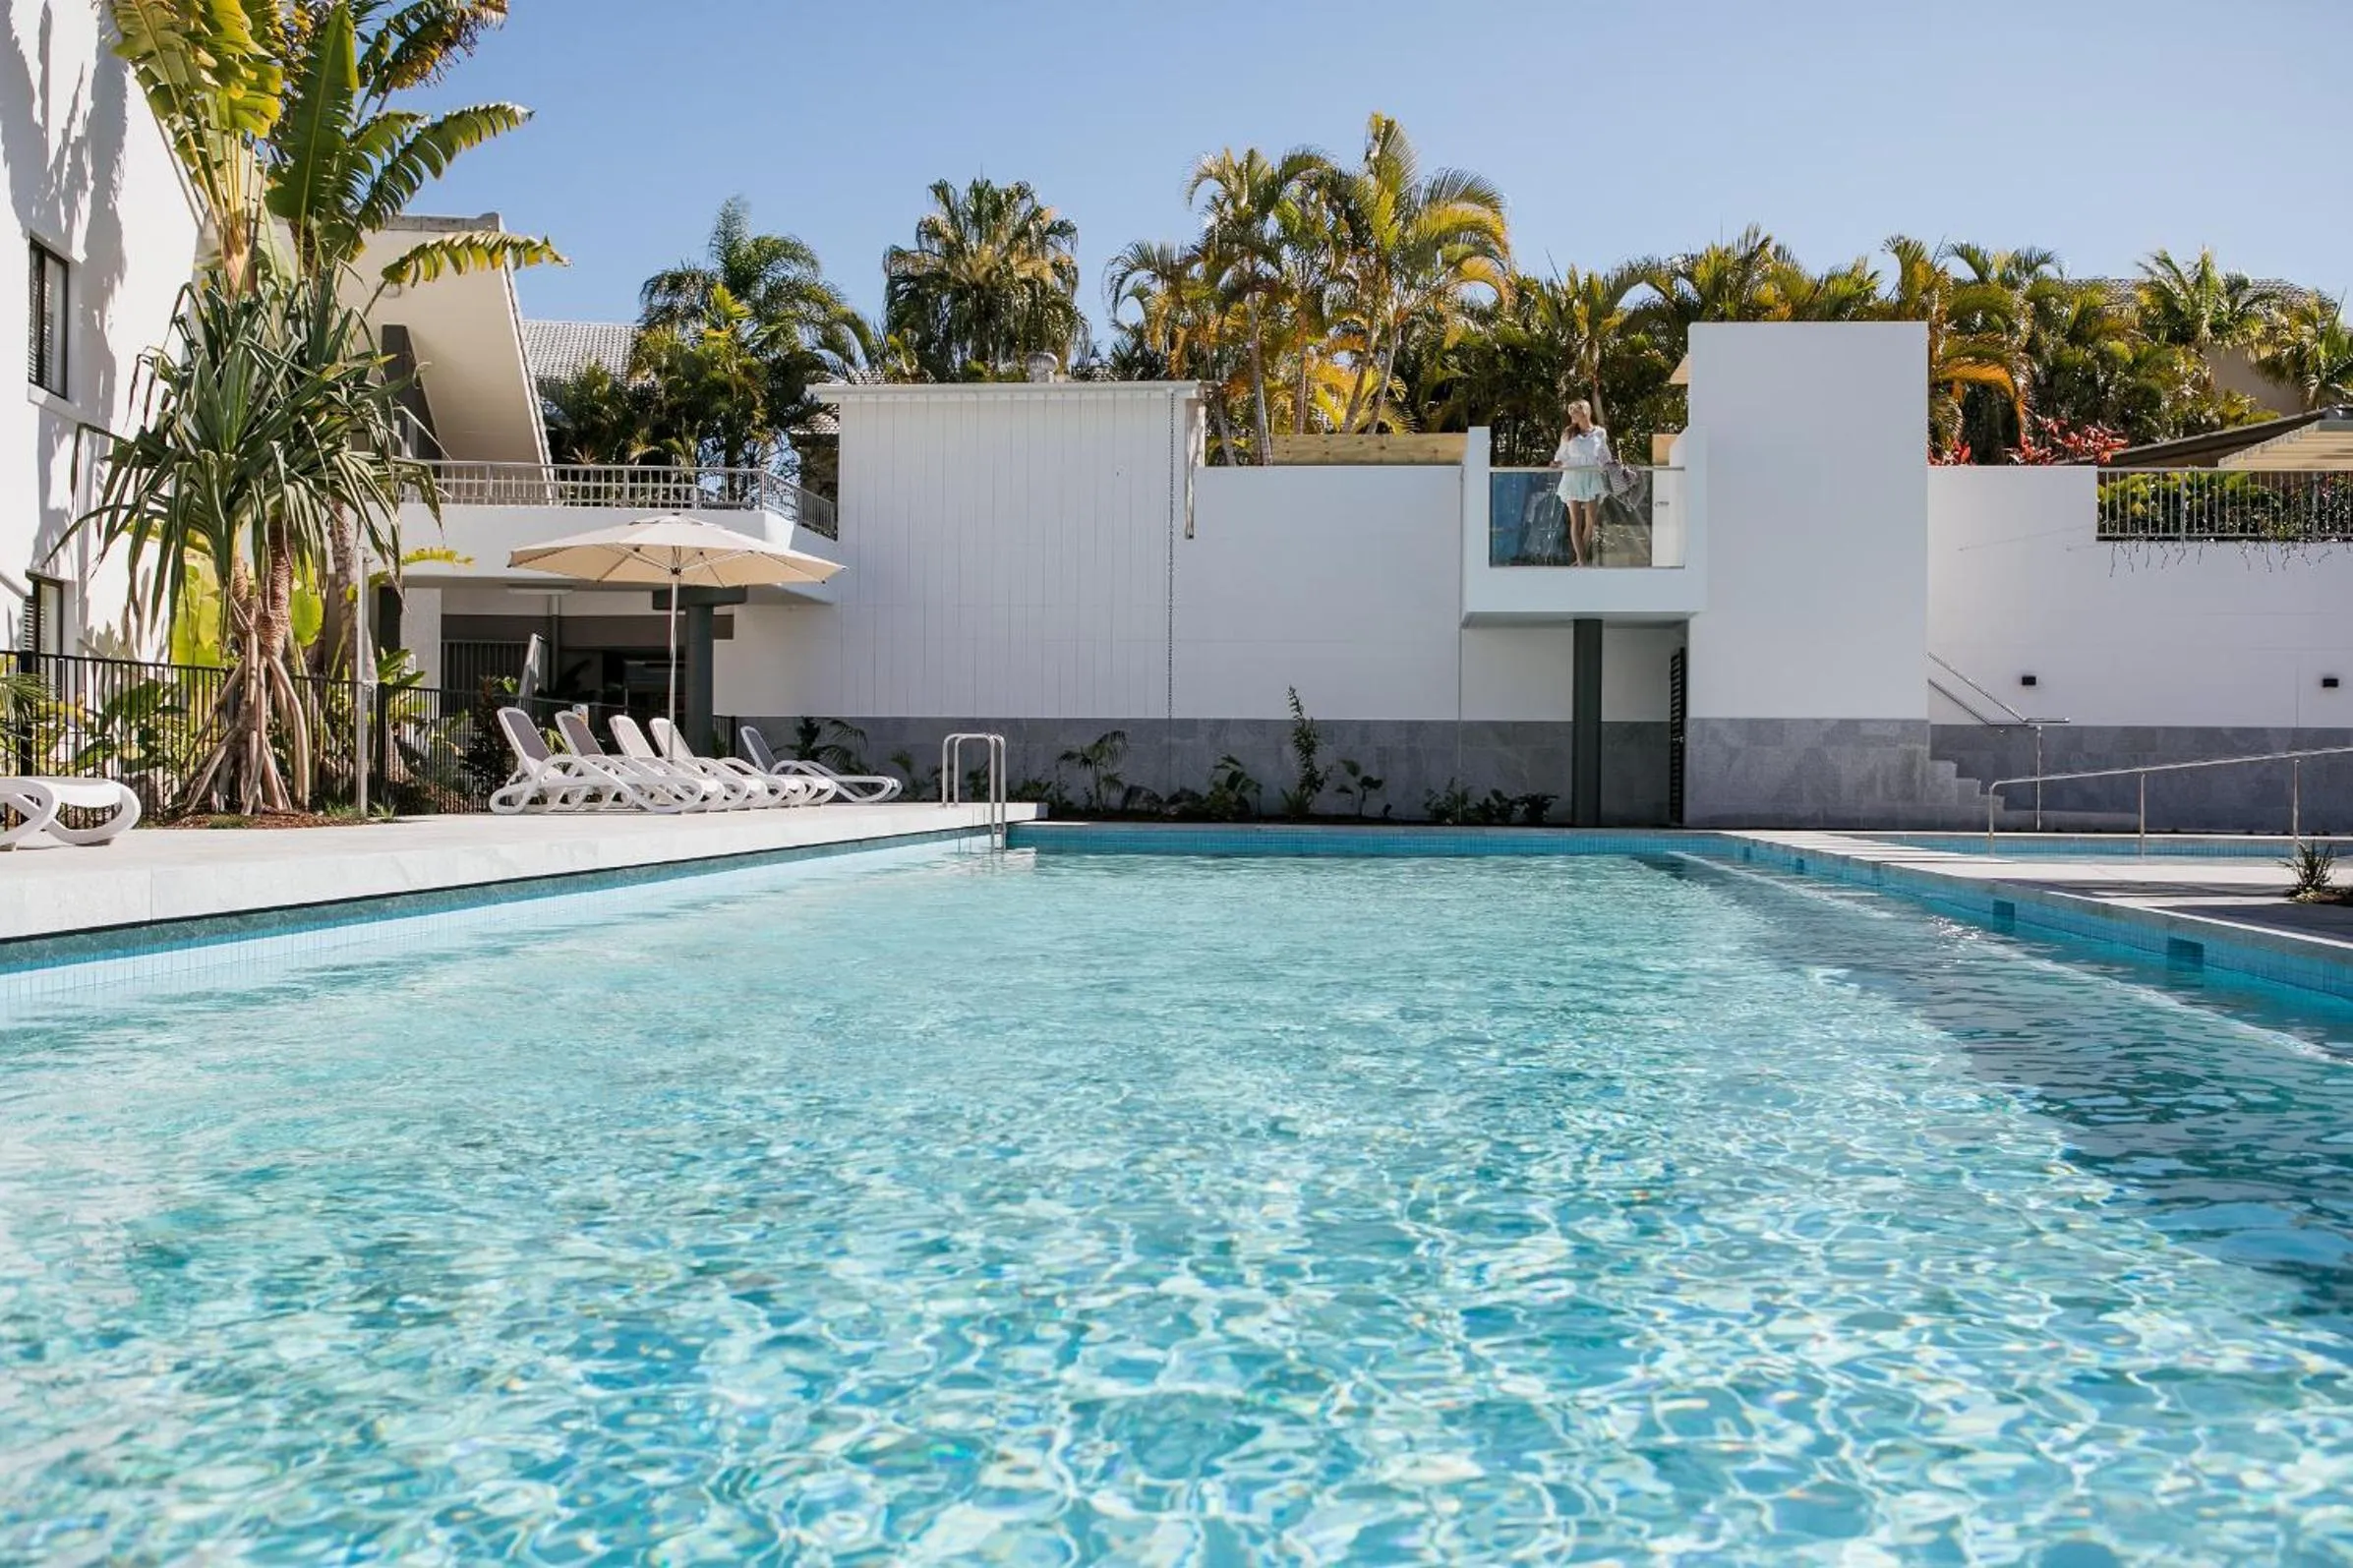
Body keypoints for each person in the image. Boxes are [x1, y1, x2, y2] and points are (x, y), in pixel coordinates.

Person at [1551, 401, 1612, 566]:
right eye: (1571, 413)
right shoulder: (1568, 433)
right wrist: (1556, 463)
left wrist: (1612, 466)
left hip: (1592, 476)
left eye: (1575, 412)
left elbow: (1605, 455)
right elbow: (1561, 455)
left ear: (1585, 412)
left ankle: (1579, 561)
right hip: (1573, 476)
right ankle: (1583, 562)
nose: (1572, 416)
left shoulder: (1599, 433)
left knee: (1591, 521)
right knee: (1576, 521)